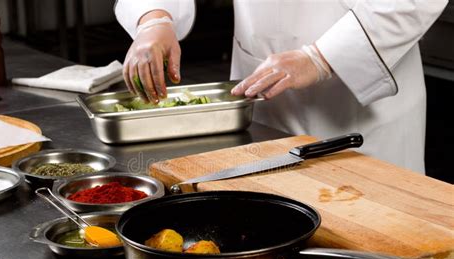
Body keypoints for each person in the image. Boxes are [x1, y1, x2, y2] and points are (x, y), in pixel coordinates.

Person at [114, 0, 448, 174]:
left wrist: (321, 58)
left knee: (370, 239)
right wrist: (153, 18)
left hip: (361, 104)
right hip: (262, 91)